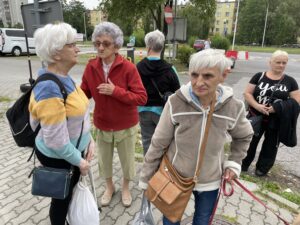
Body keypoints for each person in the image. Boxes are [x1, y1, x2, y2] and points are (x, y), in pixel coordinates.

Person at [139, 49, 253, 225]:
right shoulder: (176, 102)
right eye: (194, 75)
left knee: (202, 221)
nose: (199, 82)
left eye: (207, 76)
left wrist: (234, 163)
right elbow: (158, 142)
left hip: (210, 180)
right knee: (170, 221)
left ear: (223, 75)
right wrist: (146, 178)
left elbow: (244, 135)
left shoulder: (233, 106)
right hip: (174, 177)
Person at [29, 22, 94, 225]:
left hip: (72, 152)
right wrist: (80, 161)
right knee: (61, 199)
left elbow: (79, 115)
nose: (77, 49)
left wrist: (89, 140)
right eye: (71, 45)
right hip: (60, 157)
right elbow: (56, 140)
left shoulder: (64, 78)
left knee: (67, 195)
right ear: (56, 54)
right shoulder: (49, 88)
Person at [81, 22, 147, 207]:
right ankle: (109, 187)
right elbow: (83, 93)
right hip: (102, 124)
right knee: (104, 161)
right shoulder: (91, 67)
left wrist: (115, 91)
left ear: (117, 46)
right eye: (97, 42)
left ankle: (125, 188)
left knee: (127, 161)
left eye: (106, 43)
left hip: (125, 125)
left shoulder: (128, 68)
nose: (100, 47)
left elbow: (141, 97)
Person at [242, 50, 300, 176]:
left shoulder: (290, 81)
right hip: (255, 116)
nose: (281, 65)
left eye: (284, 63)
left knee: (271, 145)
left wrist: (277, 108)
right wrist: (257, 105)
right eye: (278, 62)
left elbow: (296, 102)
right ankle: (243, 165)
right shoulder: (259, 76)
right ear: (270, 62)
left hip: (277, 120)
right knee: (249, 141)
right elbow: (247, 93)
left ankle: (262, 169)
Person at [136, 29, 180, 155]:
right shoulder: (170, 69)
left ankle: (148, 170)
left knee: (147, 142)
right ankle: (162, 170)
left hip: (143, 111)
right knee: (164, 143)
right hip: (163, 113)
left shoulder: (137, 68)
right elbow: (177, 93)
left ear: (148, 46)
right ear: (161, 47)